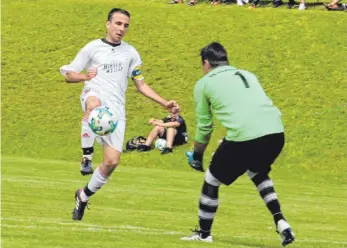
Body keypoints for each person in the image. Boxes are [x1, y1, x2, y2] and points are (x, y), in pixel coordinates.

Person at [59, 8, 179, 221]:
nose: (122, 28)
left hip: (116, 111)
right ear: (108, 24)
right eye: (118, 23)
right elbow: (69, 75)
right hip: (93, 93)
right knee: (93, 105)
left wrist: (164, 103)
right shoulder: (92, 48)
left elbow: (141, 85)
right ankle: (86, 156)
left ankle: (83, 195)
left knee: (112, 162)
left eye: (126, 25)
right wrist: (85, 76)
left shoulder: (131, 53)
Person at [180, 42, 295, 247]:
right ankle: (281, 222)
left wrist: (197, 156)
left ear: (206, 63)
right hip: (276, 132)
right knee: (257, 171)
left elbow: (205, 127)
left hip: (246, 136)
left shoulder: (204, 83)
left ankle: (204, 234)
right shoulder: (248, 74)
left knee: (211, 180)